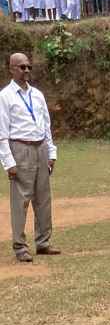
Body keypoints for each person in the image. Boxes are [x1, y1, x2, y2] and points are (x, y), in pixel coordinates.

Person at [0, 53, 60, 262]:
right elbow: (2, 133)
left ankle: (43, 242)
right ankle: (20, 247)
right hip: (20, 148)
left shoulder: (37, 95)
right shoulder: (5, 96)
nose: (26, 70)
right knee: (21, 200)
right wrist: (9, 162)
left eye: (28, 67)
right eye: (21, 67)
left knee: (43, 199)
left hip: (40, 147)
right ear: (11, 69)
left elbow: (46, 125)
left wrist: (51, 153)